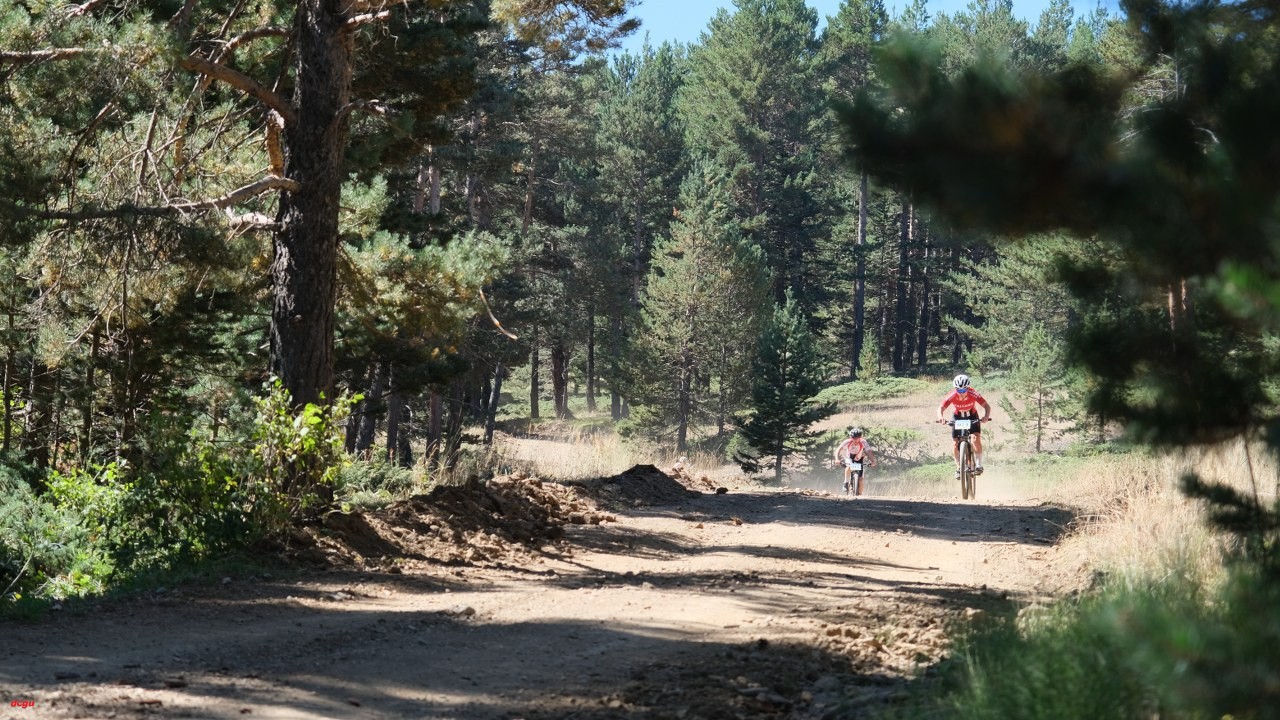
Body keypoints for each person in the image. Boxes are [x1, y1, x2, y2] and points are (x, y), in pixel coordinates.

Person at [936, 374, 992, 477]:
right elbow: (941, 408)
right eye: (959, 390)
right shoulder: (952, 394)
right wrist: (941, 417)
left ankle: (979, 464)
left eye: (963, 390)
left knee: (975, 438)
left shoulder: (973, 393)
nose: (961, 393)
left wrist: (986, 416)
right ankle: (958, 467)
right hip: (957, 417)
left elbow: (987, 406)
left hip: (972, 415)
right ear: (955, 389)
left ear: (968, 388)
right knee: (955, 443)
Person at [832, 427, 875, 496]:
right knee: (849, 466)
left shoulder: (863, 441)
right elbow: (838, 450)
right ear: (850, 437)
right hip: (849, 457)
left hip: (859, 458)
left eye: (857, 438)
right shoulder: (847, 441)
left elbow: (869, 451)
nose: (855, 440)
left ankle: (860, 495)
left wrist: (872, 461)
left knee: (861, 480)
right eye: (854, 438)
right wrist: (837, 459)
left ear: (860, 437)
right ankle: (846, 482)